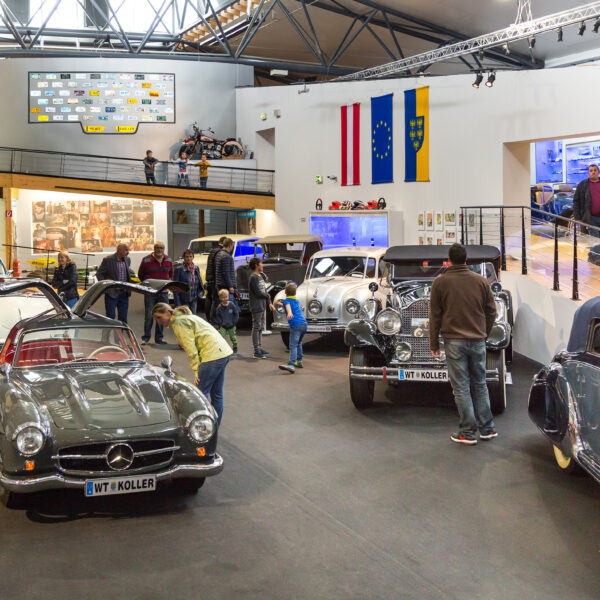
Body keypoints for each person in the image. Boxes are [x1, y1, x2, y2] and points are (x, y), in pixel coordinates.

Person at [429, 243, 497, 445]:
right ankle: (487, 428)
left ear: (448, 260)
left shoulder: (440, 283)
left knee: (460, 387)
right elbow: (491, 311)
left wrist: (434, 344)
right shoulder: (481, 281)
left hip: (453, 341)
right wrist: (484, 333)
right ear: (466, 259)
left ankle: (467, 432)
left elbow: (435, 317)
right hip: (478, 339)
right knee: (480, 383)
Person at [152, 303, 232, 425]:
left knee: (199, 395)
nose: (158, 322)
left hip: (212, 355)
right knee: (217, 394)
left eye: (159, 317)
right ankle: (214, 427)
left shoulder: (179, 322)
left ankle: (200, 429)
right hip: (223, 352)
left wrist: (196, 371)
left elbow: (191, 349)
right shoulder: (184, 317)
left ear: (167, 312)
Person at [138, 241, 173, 345]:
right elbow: (140, 275)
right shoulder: (146, 260)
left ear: (164, 249)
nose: (159, 250)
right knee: (149, 315)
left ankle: (159, 338)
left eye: (161, 248)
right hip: (150, 293)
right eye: (157, 247)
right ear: (154, 248)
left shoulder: (168, 260)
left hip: (163, 293)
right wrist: (149, 285)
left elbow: (171, 274)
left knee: (162, 315)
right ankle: (146, 338)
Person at [96, 243, 133, 323]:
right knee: (110, 317)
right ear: (119, 250)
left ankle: (121, 332)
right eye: (126, 250)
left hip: (124, 293)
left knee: (123, 318)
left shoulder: (127, 259)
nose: (128, 252)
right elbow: (99, 274)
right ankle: (108, 332)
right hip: (111, 293)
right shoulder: (108, 260)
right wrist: (106, 288)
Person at [276, 282, 307, 372]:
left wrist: (289, 313)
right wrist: (279, 304)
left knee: (293, 345)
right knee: (299, 343)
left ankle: (291, 364)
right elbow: (288, 305)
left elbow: (288, 306)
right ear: (295, 293)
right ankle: (299, 361)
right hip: (303, 324)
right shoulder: (296, 301)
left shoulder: (286, 301)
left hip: (296, 325)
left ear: (285, 292)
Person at [248, 257, 274, 359]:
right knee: (256, 327)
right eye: (261, 263)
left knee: (260, 328)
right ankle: (256, 351)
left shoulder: (260, 276)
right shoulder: (253, 278)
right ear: (256, 265)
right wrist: (267, 296)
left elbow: (264, 290)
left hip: (262, 305)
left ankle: (259, 348)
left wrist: (269, 302)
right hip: (256, 305)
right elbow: (259, 293)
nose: (262, 265)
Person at [173, 249, 203, 314]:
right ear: (183, 258)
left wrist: (198, 294)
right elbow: (175, 287)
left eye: (190, 256)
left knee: (193, 317)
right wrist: (178, 303)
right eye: (187, 257)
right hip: (183, 300)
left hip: (194, 299)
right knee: (185, 318)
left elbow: (198, 282)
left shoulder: (196, 268)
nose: (189, 258)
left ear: (193, 257)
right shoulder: (179, 269)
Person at [574, 164, 600, 237]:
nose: (593, 172)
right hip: (591, 217)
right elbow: (576, 201)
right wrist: (577, 218)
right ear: (588, 173)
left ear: (598, 172)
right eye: (591, 171)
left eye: (595, 170)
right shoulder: (582, 185)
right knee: (594, 240)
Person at [204, 236, 226, 323]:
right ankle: (214, 321)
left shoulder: (212, 251)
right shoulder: (220, 252)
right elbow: (218, 267)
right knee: (216, 300)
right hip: (215, 279)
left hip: (209, 278)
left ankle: (209, 319)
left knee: (209, 298)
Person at [215, 288, 240, 354]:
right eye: (223, 297)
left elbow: (236, 313)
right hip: (223, 326)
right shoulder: (219, 307)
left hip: (231, 325)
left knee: (233, 337)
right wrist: (220, 323)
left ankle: (235, 347)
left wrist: (234, 322)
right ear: (220, 298)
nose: (225, 299)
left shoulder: (231, 305)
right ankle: (223, 349)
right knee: (222, 337)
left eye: (226, 297)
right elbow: (217, 316)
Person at [215, 238, 238, 308]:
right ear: (230, 245)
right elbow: (226, 273)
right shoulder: (227, 256)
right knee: (229, 307)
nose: (232, 248)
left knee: (222, 305)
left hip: (220, 284)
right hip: (226, 286)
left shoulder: (218, 254)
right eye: (232, 246)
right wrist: (230, 286)